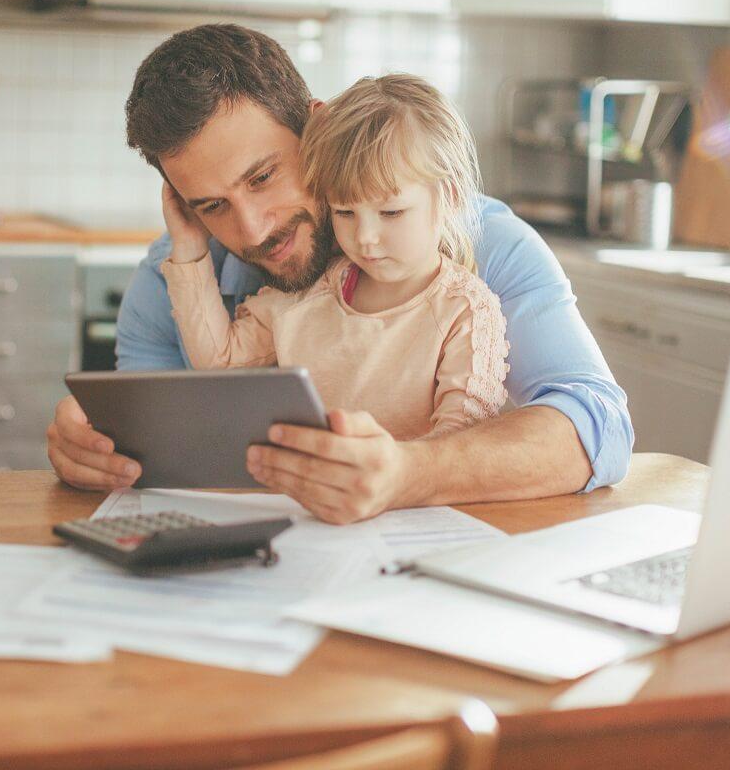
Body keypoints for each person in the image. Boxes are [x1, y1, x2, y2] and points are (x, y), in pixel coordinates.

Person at [46, 24, 633, 522]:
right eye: (212, 205)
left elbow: (598, 427)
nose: (252, 231)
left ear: (318, 128)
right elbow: (153, 457)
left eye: (262, 177)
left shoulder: (481, 244)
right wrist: (93, 448)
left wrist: (410, 473)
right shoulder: (168, 279)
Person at [160, 73, 510, 511]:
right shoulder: (308, 295)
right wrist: (191, 247)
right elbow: (219, 361)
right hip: (307, 515)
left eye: (391, 211)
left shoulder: (465, 310)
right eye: (345, 212)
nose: (365, 238)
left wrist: (387, 482)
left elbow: (456, 443)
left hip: (413, 518)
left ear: (451, 196)